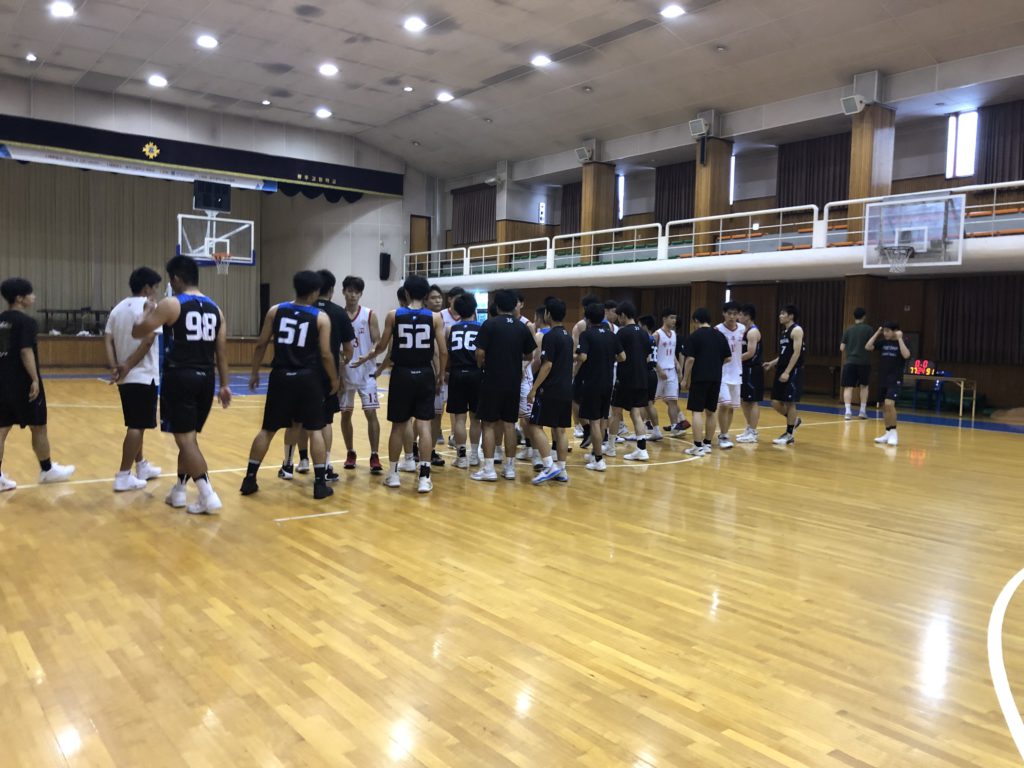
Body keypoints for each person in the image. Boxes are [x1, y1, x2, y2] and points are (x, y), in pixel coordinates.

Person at [133, 255, 231, 514]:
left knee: (185, 441)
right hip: (206, 378)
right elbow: (221, 351)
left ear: (176, 278)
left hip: (180, 376)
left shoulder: (171, 304)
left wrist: (147, 312)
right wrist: (225, 384)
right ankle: (178, 490)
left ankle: (207, 494)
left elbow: (138, 331)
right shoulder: (216, 309)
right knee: (189, 438)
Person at [240, 271, 339, 500]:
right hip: (308, 377)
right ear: (315, 292)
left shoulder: (275, 311)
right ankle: (319, 484)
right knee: (314, 430)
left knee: (267, 429)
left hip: (281, 376)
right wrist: (334, 378)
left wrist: (254, 372)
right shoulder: (321, 317)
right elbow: (326, 354)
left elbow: (261, 344)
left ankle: (249, 479)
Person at [353, 275, 445, 493]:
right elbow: (442, 351)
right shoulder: (435, 318)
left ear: (406, 293)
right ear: (426, 295)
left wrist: (367, 357)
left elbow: (382, 346)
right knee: (424, 425)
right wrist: (441, 374)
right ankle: (424, 478)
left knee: (398, 425)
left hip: (402, 373)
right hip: (424, 372)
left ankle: (393, 475)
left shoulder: (394, 315)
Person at [0, 278, 75, 491]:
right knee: (39, 426)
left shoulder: (2, 320)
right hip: (23, 382)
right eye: (30, 294)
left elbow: (3, 351)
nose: (34, 297)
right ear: (19, 298)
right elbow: (25, 351)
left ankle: (42, 470)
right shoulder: (27, 322)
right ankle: (47, 469)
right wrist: (34, 378)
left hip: (3, 380)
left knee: (2, 429)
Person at [104, 267, 164, 491]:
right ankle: (123, 475)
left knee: (136, 423)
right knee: (137, 426)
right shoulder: (152, 309)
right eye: (155, 287)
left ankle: (141, 465)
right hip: (143, 374)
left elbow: (107, 339)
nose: (156, 292)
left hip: (125, 377)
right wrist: (128, 365)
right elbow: (148, 341)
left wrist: (115, 366)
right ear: (147, 288)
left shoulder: (118, 308)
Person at [471, 289, 537, 482]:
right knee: (509, 424)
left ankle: (489, 469)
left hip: (492, 380)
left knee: (488, 424)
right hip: (513, 382)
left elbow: (479, 352)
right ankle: (510, 468)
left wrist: (481, 365)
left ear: (497, 305)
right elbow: (530, 355)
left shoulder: (489, 324)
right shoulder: (521, 327)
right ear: (515, 305)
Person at [311, 270, 355, 480]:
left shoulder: (304, 309)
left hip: (303, 370)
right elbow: (349, 350)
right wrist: (341, 364)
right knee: (326, 421)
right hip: (327, 374)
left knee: (300, 421)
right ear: (331, 290)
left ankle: (296, 463)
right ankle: (326, 465)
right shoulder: (339, 313)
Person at [573, 301, 625, 472]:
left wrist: (574, 360)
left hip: (592, 382)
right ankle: (597, 452)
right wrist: (607, 358)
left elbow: (583, 357)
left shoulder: (586, 335)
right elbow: (623, 357)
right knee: (602, 420)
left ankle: (598, 459)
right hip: (608, 382)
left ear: (587, 319)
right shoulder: (611, 335)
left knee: (594, 422)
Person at [527, 297, 573, 484]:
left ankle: (548, 466)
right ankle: (561, 469)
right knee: (560, 430)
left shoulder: (550, 336)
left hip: (551, 389)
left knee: (534, 426)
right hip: (566, 388)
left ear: (548, 314)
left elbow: (547, 365)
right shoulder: (568, 336)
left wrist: (533, 389)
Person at [339, 275, 382, 474]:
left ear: (361, 294)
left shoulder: (369, 314)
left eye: (357, 292)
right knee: (345, 415)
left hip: (366, 373)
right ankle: (350, 452)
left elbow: (378, 341)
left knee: (371, 413)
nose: (353, 295)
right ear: (343, 292)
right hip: (345, 373)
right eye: (350, 291)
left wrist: (368, 356)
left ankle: (374, 454)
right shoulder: (338, 315)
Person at [681, 308, 732, 456]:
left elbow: (690, 359)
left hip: (700, 378)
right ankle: (707, 444)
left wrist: (684, 378)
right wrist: (715, 364)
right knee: (711, 411)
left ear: (696, 320)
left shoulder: (694, 336)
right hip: (716, 378)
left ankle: (697, 446)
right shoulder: (720, 335)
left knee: (697, 411)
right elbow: (728, 358)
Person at [609, 302, 651, 461]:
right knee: (636, 412)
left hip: (625, 378)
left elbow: (619, 356)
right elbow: (647, 355)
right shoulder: (644, 333)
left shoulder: (622, 333)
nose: (618, 320)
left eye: (618, 316)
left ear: (623, 315)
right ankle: (642, 449)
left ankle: (611, 447)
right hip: (642, 377)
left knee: (615, 412)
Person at [446, 293, 483, 469]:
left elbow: (447, 354)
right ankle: (474, 456)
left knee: (459, 418)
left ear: (457, 311)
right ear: (474, 308)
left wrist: (445, 372)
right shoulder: (481, 328)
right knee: (476, 418)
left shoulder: (451, 329)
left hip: (457, 373)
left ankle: (461, 457)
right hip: (476, 373)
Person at [763, 304, 805, 446]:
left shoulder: (797, 330)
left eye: (783, 313)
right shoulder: (784, 332)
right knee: (775, 401)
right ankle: (794, 420)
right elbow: (784, 354)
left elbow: (796, 353)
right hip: (781, 369)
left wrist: (787, 371)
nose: (780, 316)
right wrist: (772, 363)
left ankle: (789, 434)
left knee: (789, 402)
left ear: (791, 316)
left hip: (793, 370)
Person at [866, 322, 911, 446]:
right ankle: (888, 432)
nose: (885, 333)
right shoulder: (883, 343)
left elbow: (906, 355)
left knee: (889, 404)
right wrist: (877, 332)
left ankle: (894, 432)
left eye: (887, 331)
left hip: (895, 379)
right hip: (882, 378)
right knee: (884, 407)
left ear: (895, 331)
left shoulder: (903, 342)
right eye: (884, 331)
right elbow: (868, 346)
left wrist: (900, 338)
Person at [714, 301, 746, 449]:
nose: (732, 316)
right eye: (729, 313)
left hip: (737, 372)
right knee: (725, 403)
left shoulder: (742, 329)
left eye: (735, 314)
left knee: (732, 406)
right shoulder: (717, 330)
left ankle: (725, 433)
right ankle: (722, 435)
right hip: (722, 372)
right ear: (724, 314)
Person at [736, 304, 763, 443]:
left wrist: (734, 359)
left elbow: (751, 352)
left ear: (748, 316)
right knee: (744, 400)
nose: (738, 317)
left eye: (740, 314)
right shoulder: (743, 330)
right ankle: (749, 427)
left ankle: (753, 431)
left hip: (753, 369)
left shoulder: (753, 332)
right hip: (744, 369)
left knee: (752, 401)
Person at [840, 307, 874, 420]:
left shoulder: (848, 330)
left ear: (854, 316)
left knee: (848, 387)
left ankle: (847, 412)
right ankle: (862, 411)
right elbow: (871, 346)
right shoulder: (869, 329)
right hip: (864, 362)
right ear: (864, 316)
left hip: (850, 362)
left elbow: (842, 347)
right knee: (864, 386)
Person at [653, 309, 683, 434]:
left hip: (671, 371)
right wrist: (659, 370)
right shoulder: (657, 334)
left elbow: (671, 353)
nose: (674, 320)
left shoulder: (674, 334)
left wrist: (677, 364)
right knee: (650, 401)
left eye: (675, 318)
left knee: (673, 400)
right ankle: (645, 425)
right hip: (658, 371)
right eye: (671, 317)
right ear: (664, 318)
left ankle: (675, 426)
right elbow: (652, 354)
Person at [637, 315, 662, 440]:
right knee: (649, 404)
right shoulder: (652, 338)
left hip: (645, 373)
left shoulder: (643, 339)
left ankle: (640, 432)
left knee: (641, 403)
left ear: (645, 326)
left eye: (639, 325)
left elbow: (646, 358)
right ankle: (656, 430)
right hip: (653, 373)